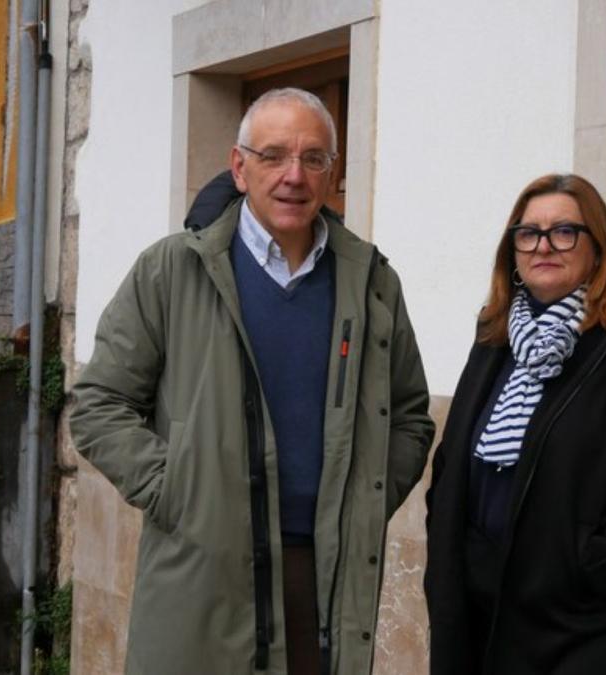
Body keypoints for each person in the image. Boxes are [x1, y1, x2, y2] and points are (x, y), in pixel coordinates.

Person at [70, 87, 435, 674]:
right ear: (239, 168)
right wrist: (179, 491)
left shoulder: (371, 282)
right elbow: (98, 404)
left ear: (331, 174)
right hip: (206, 568)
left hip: (323, 575)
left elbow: (411, 414)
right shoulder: (171, 271)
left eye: (313, 158)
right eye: (273, 156)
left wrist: (365, 496)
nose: (294, 175)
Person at [424, 173, 606, 674]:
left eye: (564, 231)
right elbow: (456, 452)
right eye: (529, 232)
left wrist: (597, 561)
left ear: (598, 246)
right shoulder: (494, 336)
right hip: (477, 602)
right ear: (512, 250)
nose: (544, 245)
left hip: (581, 619)